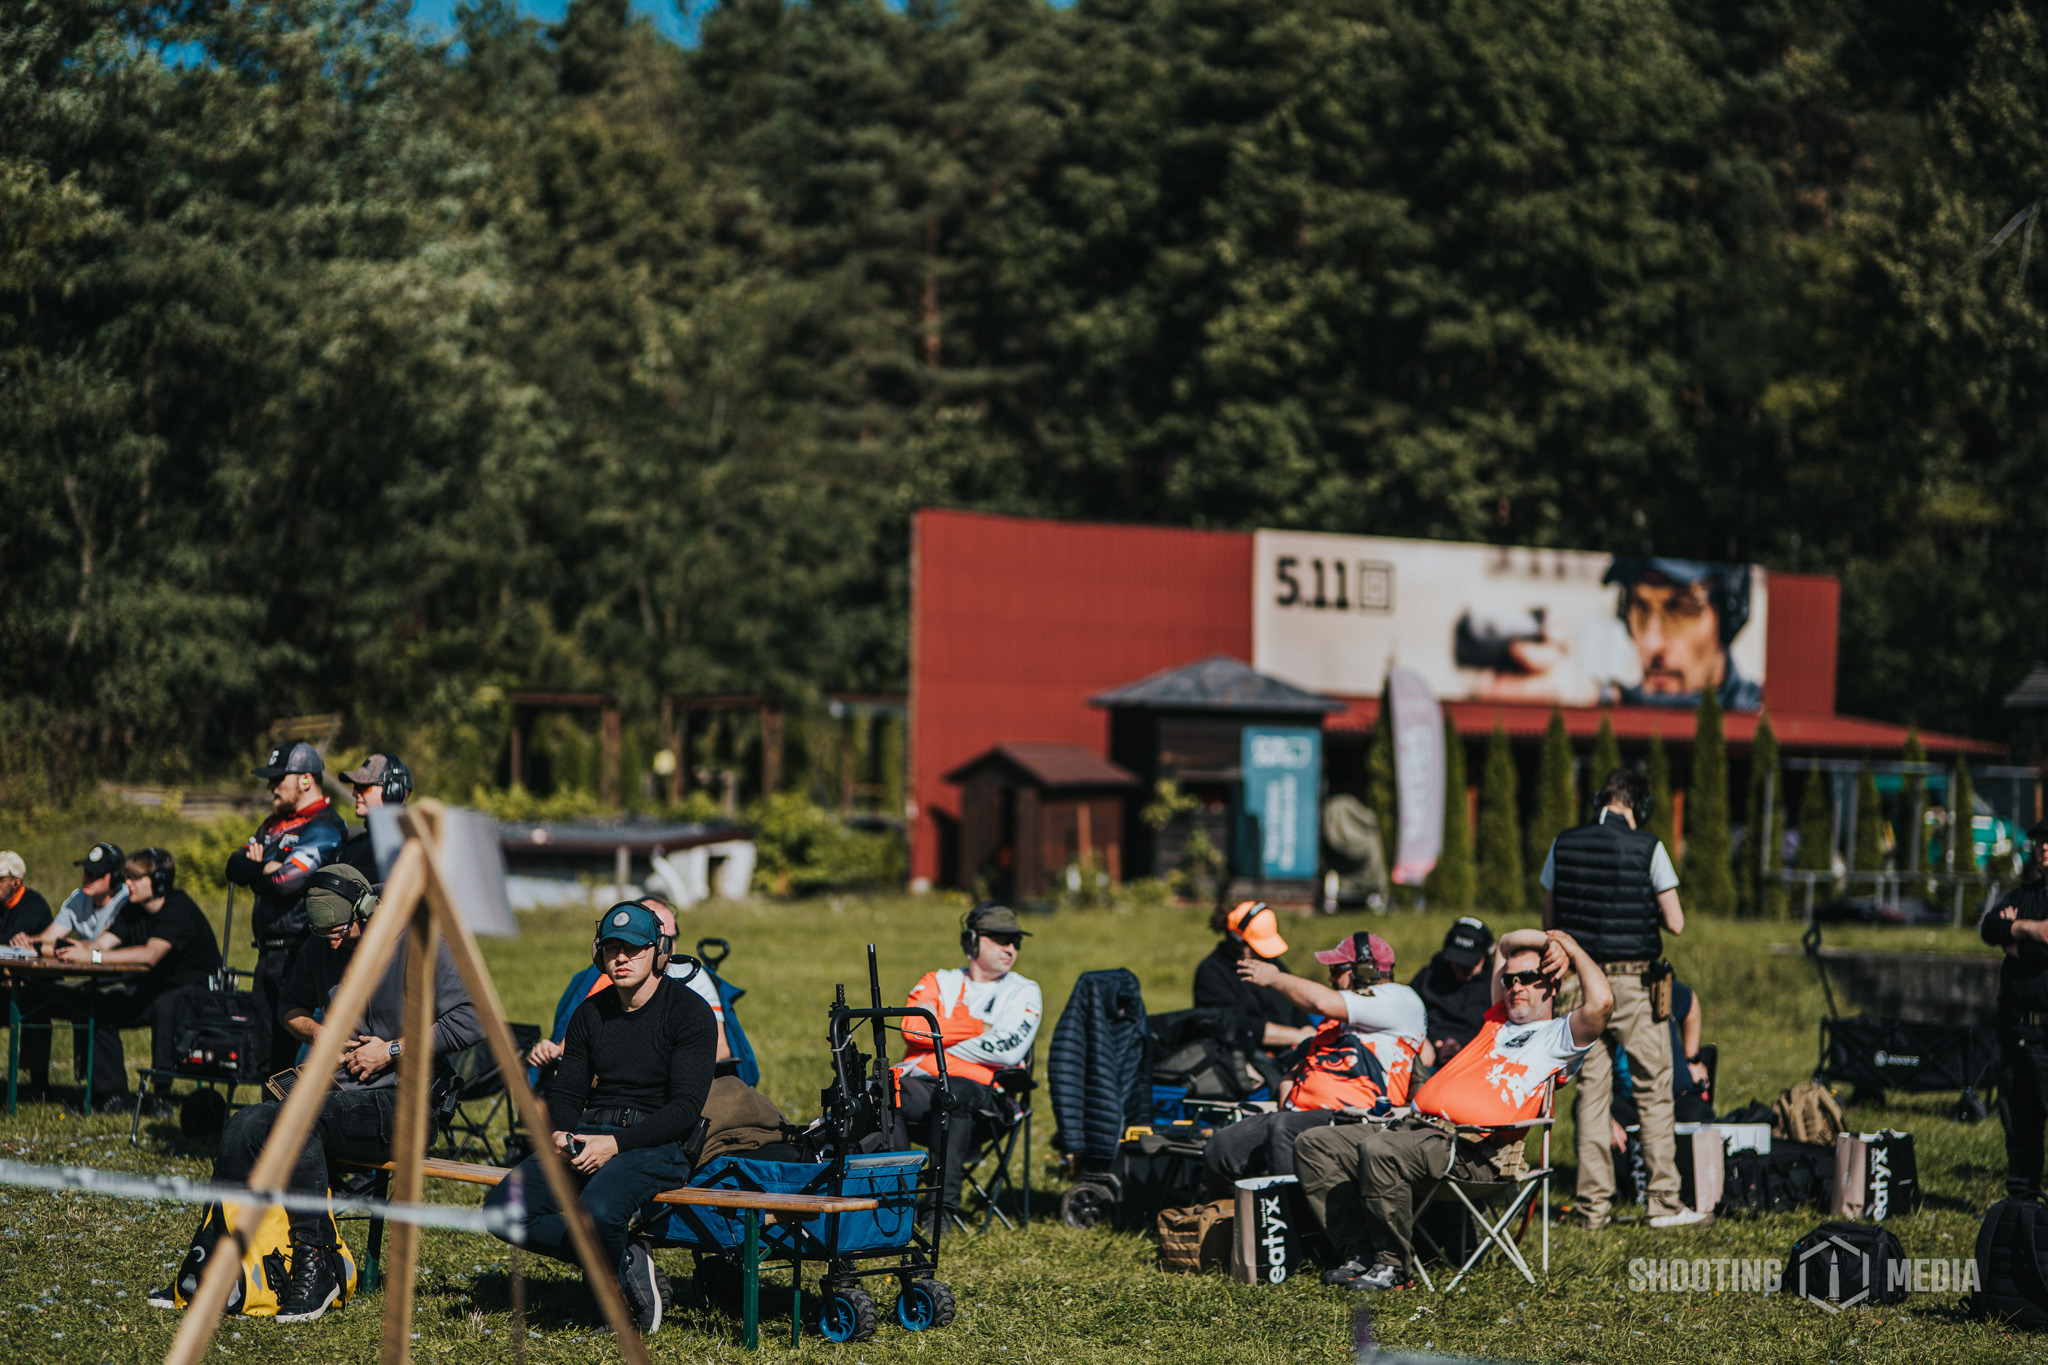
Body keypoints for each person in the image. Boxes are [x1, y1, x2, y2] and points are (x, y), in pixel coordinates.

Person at [150, 863, 480, 1323]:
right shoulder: (321, 943)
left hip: (406, 1104)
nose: (333, 943)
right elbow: (290, 1007)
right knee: (243, 1126)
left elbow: (473, 1018)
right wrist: (319, 1032)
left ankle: (317, 1261)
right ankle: (214, 1257)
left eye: (340, 932)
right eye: (324, 934)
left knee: (299, 1117)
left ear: (367, 909)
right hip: (336, 1098)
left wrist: (392, 1050)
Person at [1293, 929, 1613, 1291]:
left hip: (1474, 1152)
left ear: (1551, 985)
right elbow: (1506, 942)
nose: (1515, 986)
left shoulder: (1559, 1037)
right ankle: (1358, 1254)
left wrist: (1567, 946)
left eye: (1529, 978)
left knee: (1379, 1150)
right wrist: (1545, 942)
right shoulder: (1497, 1020)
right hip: (1415, 1129)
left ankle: (1393, 1267)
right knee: (1315, 1144)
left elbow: (1601, 1003)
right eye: (1510, 979)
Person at [484, 902, 717, 1335]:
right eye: (612, 949)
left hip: (658, 1143)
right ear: (599, 954)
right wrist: (560, 1132)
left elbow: (685, 1109)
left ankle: (611, 1301)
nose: (622, 959)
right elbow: (568, 1091)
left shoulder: (690, 1014)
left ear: (659, 953)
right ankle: (623, 1259)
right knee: (502, 1212)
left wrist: (615, 1146)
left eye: (634, 949)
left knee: (597, 1211)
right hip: (590, 1134)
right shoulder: (590, 1012)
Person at [1541, 766, 1705, 1231]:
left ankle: (1593, 1208)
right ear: (1640, 806)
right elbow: (1675, 922)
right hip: (1636, 985)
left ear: (1600, 800)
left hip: (1581, 985)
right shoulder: (1649, 846)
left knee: (1591, 1094)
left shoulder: (1562, 843)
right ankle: (1663, 1203)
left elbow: (1551, 922)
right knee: (1654, 1090)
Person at [1202, 931, 1426, 1192]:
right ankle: (1234, 1223)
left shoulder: (1398, 998)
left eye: (1337, 969)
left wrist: (1274, 978)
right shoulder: (1339, 1020)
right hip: (1297, 1116)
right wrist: (1287, 1085)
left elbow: (1320, 1002)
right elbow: (1300, 1066)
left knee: (1285, 1130)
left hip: (1355, 1119)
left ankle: (1296, 1228)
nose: (1331, 977)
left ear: (1365, 970)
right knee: (1223, 1145)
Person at [893, 901, 1043, 1230]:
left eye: (1015, 941)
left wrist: (936, 1045)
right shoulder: (938, 980)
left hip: (987, 1097)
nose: (1011, 948)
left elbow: (1006, 1049)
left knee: (953, 1093)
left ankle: (940, 1212)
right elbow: (911, 1028)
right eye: (1000, 939)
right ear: (971, 942)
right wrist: (978, 1027)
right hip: (927, 1087)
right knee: (889, 1093)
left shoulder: (1024, 991)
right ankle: (898, 1207)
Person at [47, 849, 222, 1113]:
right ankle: (113, 1096)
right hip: (156, 989)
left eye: (134, 878)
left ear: (159, 880)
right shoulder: (132, 909)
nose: (127, 884)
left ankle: (162, 1095)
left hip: (200, 993)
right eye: (126, 877)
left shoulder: (178, 909)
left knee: (166, 1006)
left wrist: (92, 957)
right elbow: (102, 944)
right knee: (101, 1005)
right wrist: (75, 950)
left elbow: (150, 956)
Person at [228, 741, 347, 1076]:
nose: (270, 786)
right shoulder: (271, 825)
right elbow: (233, 866)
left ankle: (298, 1126)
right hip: (266, 954)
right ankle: (268, 1126)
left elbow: (286, 883)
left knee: (294, 1058)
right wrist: (269, 867)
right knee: (265, 1058)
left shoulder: (324, 825)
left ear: (306, 780)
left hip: (301, 952)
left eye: (279, 778)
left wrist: (264, 867)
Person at [528, 896, 730, 1074]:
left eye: (671, 938)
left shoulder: (692, 978)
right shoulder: (615, 974)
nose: (667, 946)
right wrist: (554, 1049)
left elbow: (721, 1048)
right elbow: (578, 1039)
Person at [1982, 818, 2048, 1198]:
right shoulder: (2023, 895)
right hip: (2018, 1030)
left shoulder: (2021, 905)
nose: (2043, 848)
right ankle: (2020, 1206)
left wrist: (2016, 941)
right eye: (2039, 841)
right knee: (2019, 1123)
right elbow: (1990, 928)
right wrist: (2029, 930)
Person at [1603, 556, 1762, 710]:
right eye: (1640, 608)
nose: (1653, 644)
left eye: (1679, 609)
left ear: (1727, 617)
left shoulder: (1765, 717)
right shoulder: (1609, 710)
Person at [1191, 901, 1314, 1055]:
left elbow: (1294, 1001)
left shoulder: (1269, 962)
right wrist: (1297, 1036)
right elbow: (1237, 1026)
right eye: (1258, 948)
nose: (1265, 955)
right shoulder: (1211, 973)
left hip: (1292, 1049)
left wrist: (1307, 1030)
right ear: (1236, 942)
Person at [0, 851, 54, 1096]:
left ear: (16, 882)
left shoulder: (32, 905)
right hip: (7, 983)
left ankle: (38, 1085)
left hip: (35, 985)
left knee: (37, 1008)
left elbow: (12, 945)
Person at [12, 841, 130, 950]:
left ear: (115, 878)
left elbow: (100, 948)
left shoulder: (125, 901)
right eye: (86, 871)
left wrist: (45, 948)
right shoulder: (78, 898)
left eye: (95, 874)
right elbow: (49, 937)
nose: (86, 878)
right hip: (96, 965)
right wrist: (26, 941)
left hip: (120, 969)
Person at [1408, 917, 1495, 1061]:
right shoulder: (1430, 976)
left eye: (1470, 964)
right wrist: (1422, 1041)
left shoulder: (1495, 984)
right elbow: (1404, 1013)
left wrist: (1464, 1048)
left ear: (1485, 957)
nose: (1463, 969)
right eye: (1458, 962)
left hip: (1476, 1059)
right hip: (1429, 1056)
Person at [336, 753, 413, 884]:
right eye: (355, 787)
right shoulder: (357, 844)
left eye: (364, 786)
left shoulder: (405, 848)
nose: (355, 793)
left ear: (392, 791)